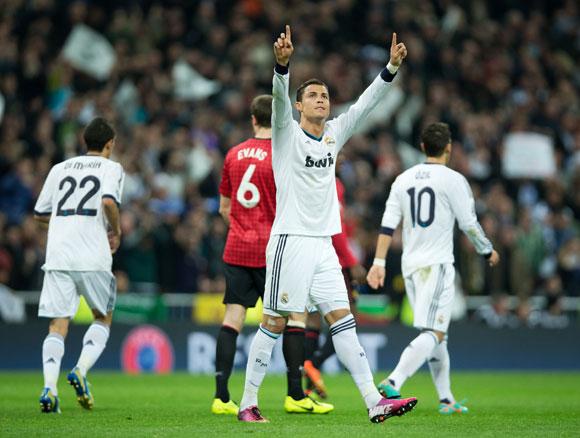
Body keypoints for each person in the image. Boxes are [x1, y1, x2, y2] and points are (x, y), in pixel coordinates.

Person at [237, 25, 417, 424]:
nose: (321, 100)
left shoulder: (334, 133)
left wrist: (390, 68)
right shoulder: (286, 133)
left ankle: (374, 400)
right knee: (273, 321)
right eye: (313, 96)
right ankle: (248, 403)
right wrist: (282, 66)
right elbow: (279, 99)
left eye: (325, 96)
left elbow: (365, 105)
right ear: (299, 106)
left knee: (343, 320)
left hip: (322, 246)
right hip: (290, 240)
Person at [367, 122, 500, 414]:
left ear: (423, 147)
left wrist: (377, 263)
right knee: (436, 332)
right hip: (437, 263)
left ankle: (446, 399)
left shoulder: (402, 179)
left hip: (411, 267)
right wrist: (487, 249)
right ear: (449, 148)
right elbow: (468, 223)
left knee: (438, 333)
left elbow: (388, 225)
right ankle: (394, 380)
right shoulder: (453, 180)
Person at [212, 95, 333, 416]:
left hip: (237, 247)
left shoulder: (233, 154)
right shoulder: (283, 151)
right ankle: (294, 394)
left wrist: (242, 227)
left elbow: (225, 207)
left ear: (252, 119)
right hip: (276, 250)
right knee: (294, 317)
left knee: (233, 318)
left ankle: (221, 397)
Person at [34, 117, 125, 413]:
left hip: (58, 255)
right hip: (92, 255)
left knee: (58, 324)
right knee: (103, 316)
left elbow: (40, 214)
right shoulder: (112, 168)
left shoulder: (59, 169)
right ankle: (81, 371)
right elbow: (109, 203)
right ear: (109, 144)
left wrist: (65, 221)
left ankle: (49, 389)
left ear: (85, 142)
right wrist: (116, 230)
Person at [303, 176, 367, 399]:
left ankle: (306, 388)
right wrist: (351, 261)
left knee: (311, 319)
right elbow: (336, 230)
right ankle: (313, 364)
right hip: (335, 263)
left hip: (307, 256)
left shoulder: (307, 177)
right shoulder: (332, 183)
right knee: (346, 320)